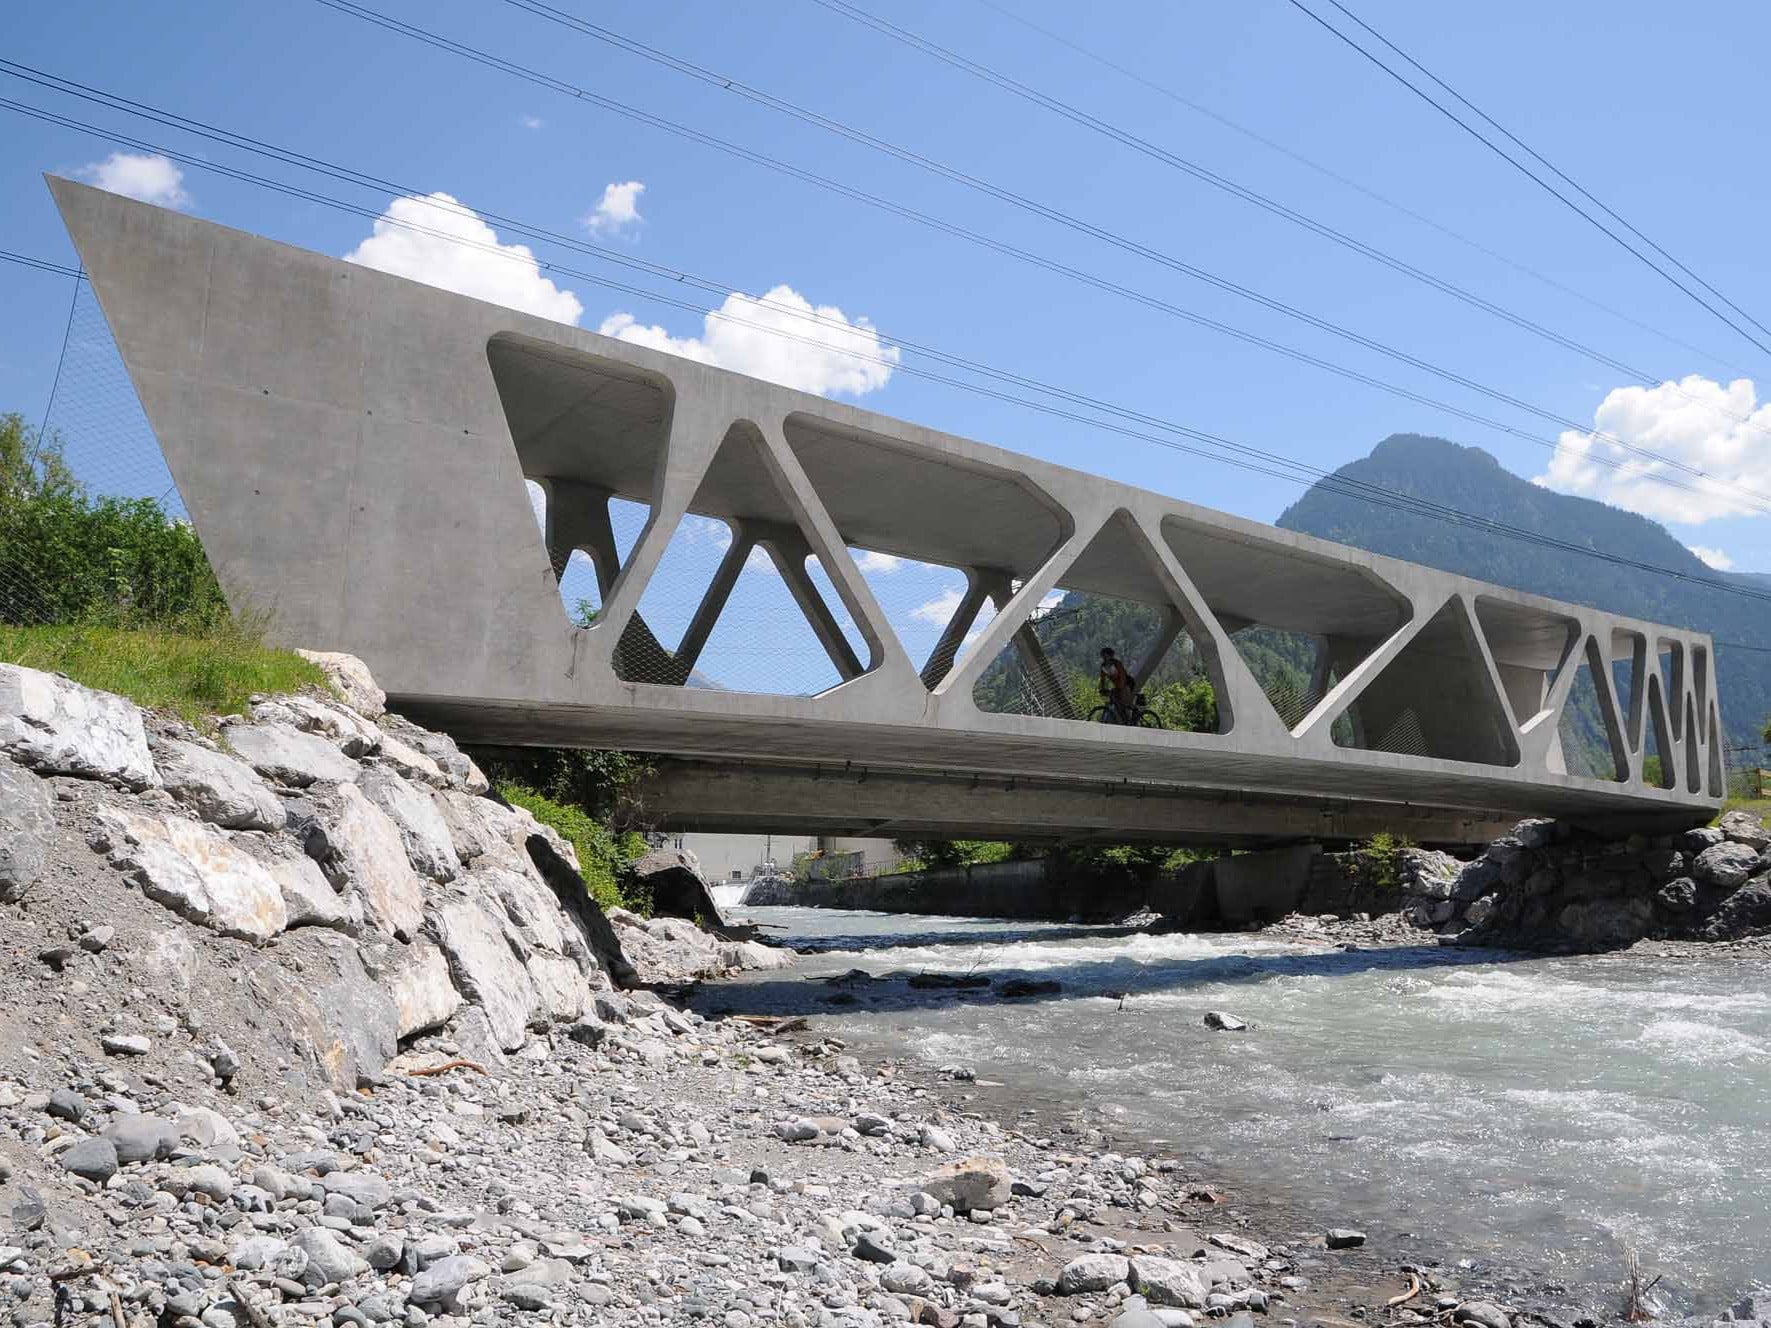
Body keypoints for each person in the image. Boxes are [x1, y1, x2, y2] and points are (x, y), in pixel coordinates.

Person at [1098, 647, 1136, 718]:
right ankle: (1122, 717)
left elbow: (1122, 676)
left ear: (1110, 656)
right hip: (1117, 685)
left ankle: (1134, 713)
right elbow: (1102, 679)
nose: (1104, 658)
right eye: (1102, 656)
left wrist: (1120, 688)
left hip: (1127, 683)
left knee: (1124, 700)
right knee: (1115, 701)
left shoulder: (1117, 663)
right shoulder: (1103, 666)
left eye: (1105, 656)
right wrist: (1102, 688)